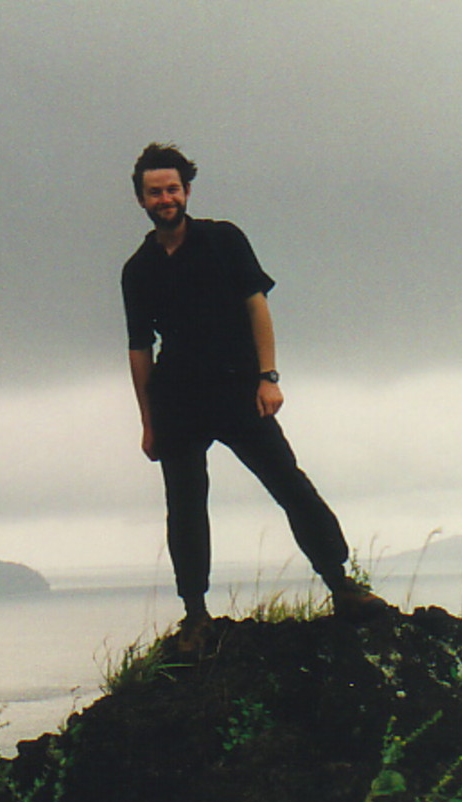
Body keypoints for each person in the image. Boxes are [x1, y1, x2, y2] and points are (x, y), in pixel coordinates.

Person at [121, 143, 388, 648]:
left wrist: (269, 376)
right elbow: (139, 348)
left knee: (288, 482)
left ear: (187, 191)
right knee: (185, 506)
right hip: (177, 397)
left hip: (237, 388)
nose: (166, 198)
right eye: (155, 192)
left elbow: (256, 306)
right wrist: (148, 421)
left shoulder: (224, 240)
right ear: (142, 199)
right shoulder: (138, 269)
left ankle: (341, 584)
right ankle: (196, 616)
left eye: (173, 189)